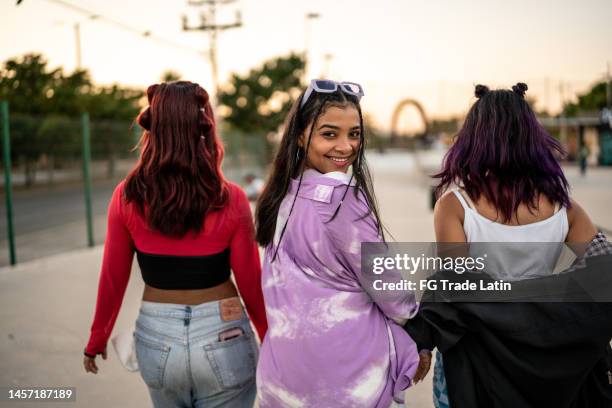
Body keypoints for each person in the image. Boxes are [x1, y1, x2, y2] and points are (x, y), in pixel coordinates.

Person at [411, 83, 601, 407]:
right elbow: (593, 274)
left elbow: (455, 288)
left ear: (473, 139)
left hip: (475, 359)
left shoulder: (455, 206)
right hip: (542, 356)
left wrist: (421, 341)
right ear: (531, 138)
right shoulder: (564, 208)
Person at [82, 81, 267, 408]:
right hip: (224, 336)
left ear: (152, 128)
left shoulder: (126, 196)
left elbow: (113, 276)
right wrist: (270, 338)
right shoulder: (232, 199)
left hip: (157, 337)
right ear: (204, 127)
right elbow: (251, 282)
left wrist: (97, 338)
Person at [254, 79, 423, 408]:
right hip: (342, 380)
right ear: (301, 135)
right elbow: (392, 295)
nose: (346, 147)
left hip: (283, 379)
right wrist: (418, 330)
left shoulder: (279, 195)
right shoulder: (339, 200)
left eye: (354, 134)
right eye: (329, 134)